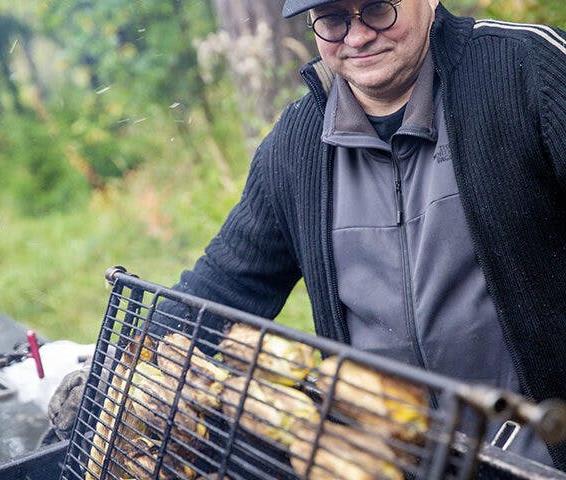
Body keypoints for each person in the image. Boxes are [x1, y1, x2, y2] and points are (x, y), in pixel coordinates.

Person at [49, 0, 566, 471]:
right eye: (334, 19)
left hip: (539, 454)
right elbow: (223, 286)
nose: (358, 36)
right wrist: (111, 374)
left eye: (378, 10)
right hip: (382, 460)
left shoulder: (526, 72)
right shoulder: (296, 144)